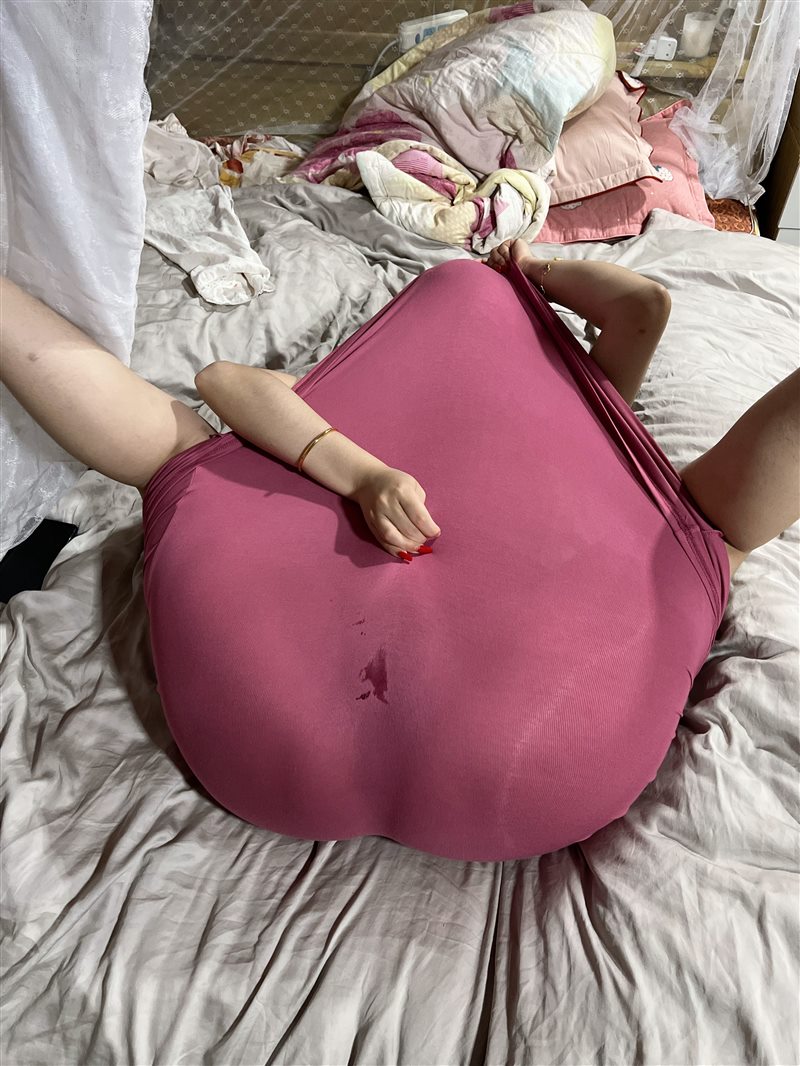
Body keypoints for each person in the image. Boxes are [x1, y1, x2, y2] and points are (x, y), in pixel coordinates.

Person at [1, 239, 798, 862]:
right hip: (533, 766)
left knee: (181, 459)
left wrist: (523, 269)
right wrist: (367, 473)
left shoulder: (589, 399)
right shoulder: (588, 410)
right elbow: (224, 379)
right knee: (710, 535)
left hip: (269, 731)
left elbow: (645, 305)